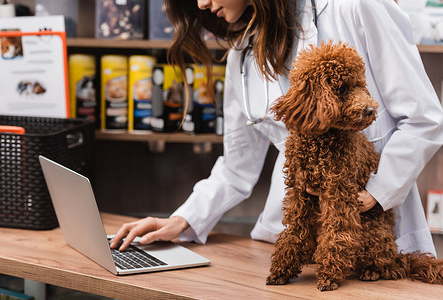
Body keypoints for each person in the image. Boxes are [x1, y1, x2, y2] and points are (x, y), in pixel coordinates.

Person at [111, 0, 443, 257]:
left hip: (370, 231)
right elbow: (236, 167)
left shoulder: (355, 7)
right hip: (289, 233)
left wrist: (376, 193)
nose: (199, 4)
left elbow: (423, 117)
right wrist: (182, 220)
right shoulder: (241, 54)